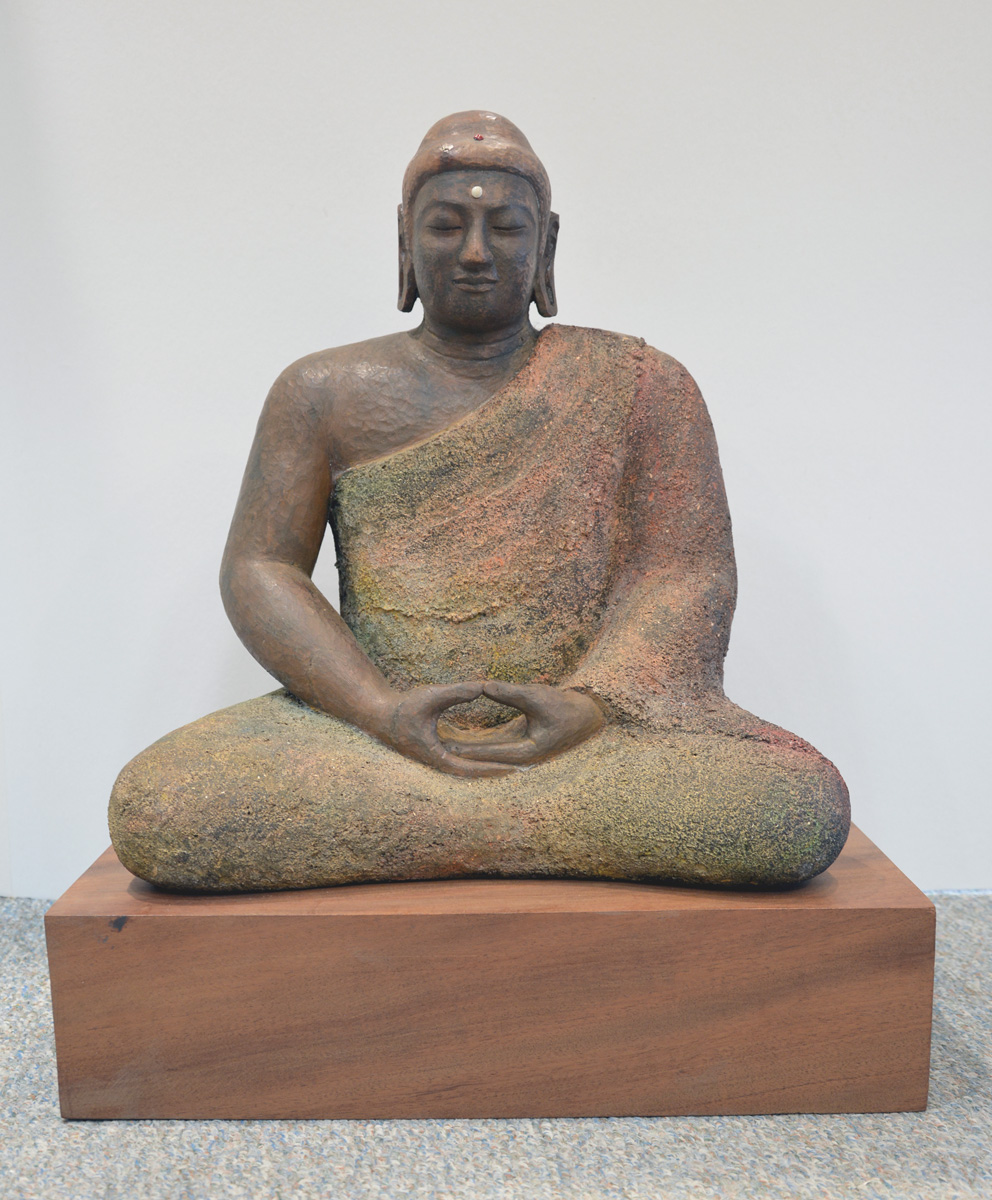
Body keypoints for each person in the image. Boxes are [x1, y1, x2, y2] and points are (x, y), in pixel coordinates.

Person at [109, 112, 850, 893]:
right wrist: (379, 709)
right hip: (380, 736)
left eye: (505, 227)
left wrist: (592, 705)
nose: (473, 252)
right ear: (404, 243)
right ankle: (532, 825)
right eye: (444, 226)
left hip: (585, 738)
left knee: (796, 805)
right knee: (160, 804)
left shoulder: (642, 385)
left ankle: (431, 826)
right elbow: (262, 568)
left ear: (546, 246)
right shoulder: (321, 392)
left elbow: (685, 574)